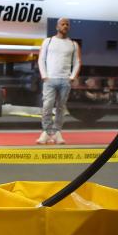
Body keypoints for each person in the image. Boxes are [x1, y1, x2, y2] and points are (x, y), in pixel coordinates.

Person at [37, 17, 81, 145]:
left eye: (67, 24)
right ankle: (46, 132)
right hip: (50, 79)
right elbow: (41, 59)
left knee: (61, 108)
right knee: (47, 106)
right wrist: (44, 75)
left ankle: (57, 133)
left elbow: (77, 62)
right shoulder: (48, 41)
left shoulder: (73, 44)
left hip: (64, 80)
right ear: (57, 27)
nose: (65, 26)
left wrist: (72, 77)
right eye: (62, 24)